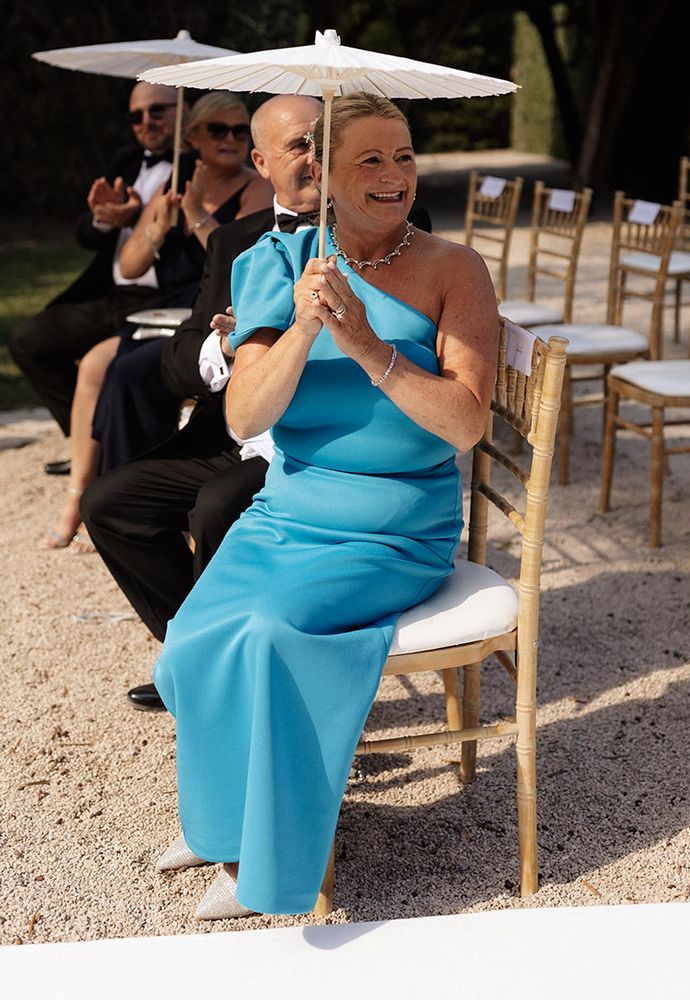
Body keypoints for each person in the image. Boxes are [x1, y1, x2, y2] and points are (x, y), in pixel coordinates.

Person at [150, 93, 498, 919]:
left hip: (396, 523)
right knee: (193, 636)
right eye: (368, 161)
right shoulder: (274, 264)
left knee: (270, 633)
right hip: (293, 507)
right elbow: (243, 417)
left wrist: (370, 348)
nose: (393, 177)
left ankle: (264, 864)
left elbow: (467, 424)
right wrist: (306, 325)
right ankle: (219, 820)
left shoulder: (456, 269)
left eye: (404, 157)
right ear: (324, 177)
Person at [80, 93, 324, 662]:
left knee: (217, 506)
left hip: (315, 441)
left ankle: (232, 669)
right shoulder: (234, 241)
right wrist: (227, 343)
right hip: (234, 434)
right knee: (110, 503)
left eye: (324, 142)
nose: (315, 157)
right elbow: (178, 357)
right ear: (262, 164)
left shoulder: (372, 230)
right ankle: (201, 656)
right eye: (298, 145)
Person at [38, 94, 272, 551]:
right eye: (218, 130)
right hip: (162, 311)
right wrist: (155, 226)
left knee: (129, 372)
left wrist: (198, 217)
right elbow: (128, 265)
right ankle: (90, 496)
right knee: (96, 365)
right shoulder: (172, 185)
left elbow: (241, 264)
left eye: (239, 131)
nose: (230, 140)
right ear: (193, 138)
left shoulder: (257, 189)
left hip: (211, 312)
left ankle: (136, 500)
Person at [9, 82, 189, 455]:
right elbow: (86, 234)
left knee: (118, 368)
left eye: (157, 110)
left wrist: (139, 216)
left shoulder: (197, 165)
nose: (146, 121)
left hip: (165, 295)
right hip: (112, 295)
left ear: (184, 109)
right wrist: (105, 219)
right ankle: (87, 443)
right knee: (30, 341)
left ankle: (111, 445)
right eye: (136, 115)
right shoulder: (125, 161)